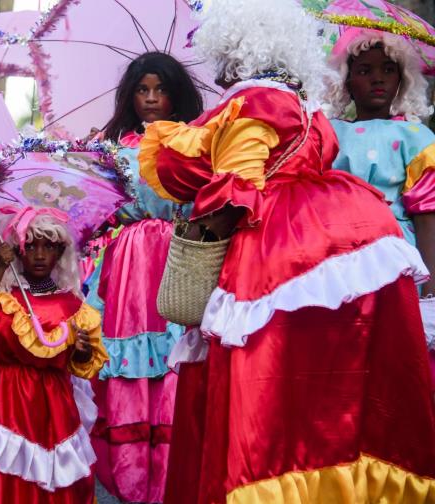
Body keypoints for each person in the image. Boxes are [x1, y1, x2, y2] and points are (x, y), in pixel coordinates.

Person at [137, 0, 435, 501]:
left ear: (234, 49)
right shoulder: (304, 106)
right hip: (352, 237)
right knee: (337, 389)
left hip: (273, 249)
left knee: (271, 388)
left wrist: (204, 231)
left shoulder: (252, 102)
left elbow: (236, 184)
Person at [82, 51, 203, 504]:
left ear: (176, 94)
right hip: (127, 260)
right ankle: (127, 477)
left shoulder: (196, 141)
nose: (151, 98)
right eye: (142, 89)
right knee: (127, 362)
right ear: (130, 95)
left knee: (176, 358)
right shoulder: (109, 147)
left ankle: (173, 476)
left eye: (161, 89)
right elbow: (93, 211)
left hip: (179, 255)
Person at [0, 207, 108, 503]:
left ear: (60, 252)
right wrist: (0, 267)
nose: (39, 255)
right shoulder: (6, 294)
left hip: (46, 407)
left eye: (48, 247)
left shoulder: (74, 308)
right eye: (31, 246)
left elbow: (81, 366)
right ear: (18, 250)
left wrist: (82, 350)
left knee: (38, 474)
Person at [325, 28, 435, 387]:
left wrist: (430, 286)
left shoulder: (416, 137)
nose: (377, 78)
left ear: (402, 80)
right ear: (346, 81)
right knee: (343, 347)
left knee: (394, 350)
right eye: (364, 70)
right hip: (336, 252)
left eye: (388, 70)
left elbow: (426, 212)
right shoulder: (327, 134)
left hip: (395, 251)